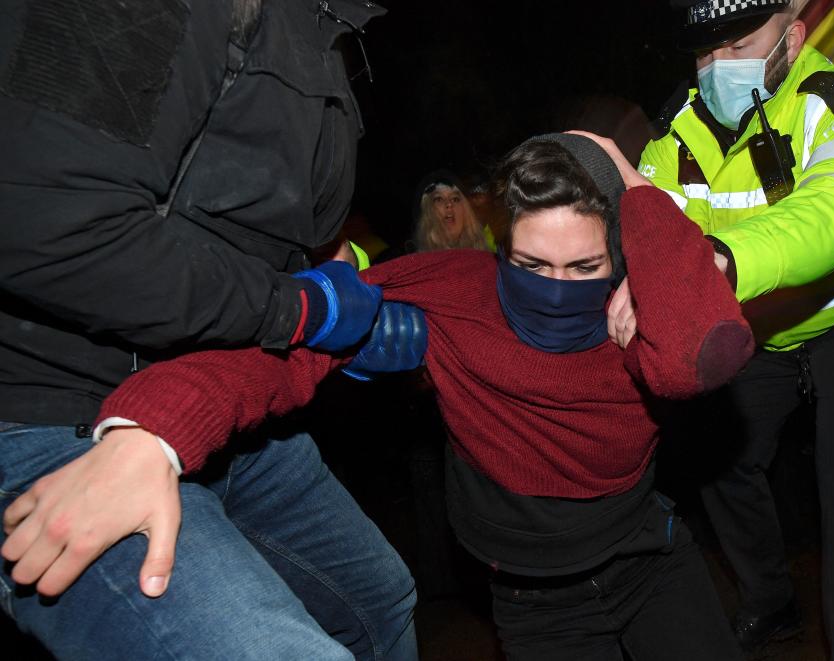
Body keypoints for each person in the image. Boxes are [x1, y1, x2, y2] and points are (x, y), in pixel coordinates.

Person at [82, 131, 755, 660]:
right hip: (536, 603)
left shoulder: (642, 309)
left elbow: (705, 354)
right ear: (502, 244)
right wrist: (152, 429)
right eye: (531, 265)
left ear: (618, 253)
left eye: (583, 267)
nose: (556, 286)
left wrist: (630, 181)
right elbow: (288, 342)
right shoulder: (449, 289)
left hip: (652, 561)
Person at [0, 1, 420, 659]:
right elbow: (47, 227)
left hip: (224, 404)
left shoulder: (325, 32)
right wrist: (305, 312)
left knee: (380, 600)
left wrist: (333, 285)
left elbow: (263, 226)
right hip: (55, 407)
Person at [638, 1, 834, 658]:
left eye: (739, 45)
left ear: (791, 37)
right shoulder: (673, 132)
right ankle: (770, 597)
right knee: (713, 452)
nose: (719, 68)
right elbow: (651, 221)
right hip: (763, 322)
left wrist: (728, 259)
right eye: (707, 52)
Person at [412, 170, 491, 252]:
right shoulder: (417, 263)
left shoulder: (486, 261)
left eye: (455, 199)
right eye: (439, 199)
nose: (449, 204)